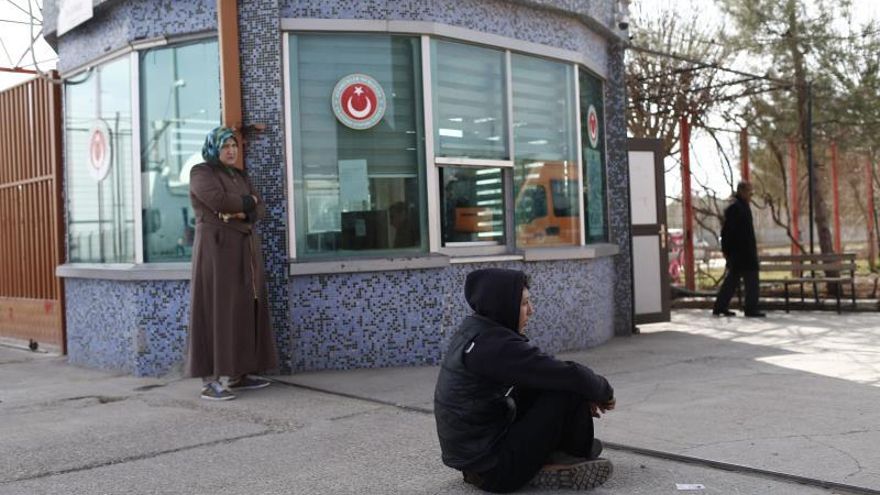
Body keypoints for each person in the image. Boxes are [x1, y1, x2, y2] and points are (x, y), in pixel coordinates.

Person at [434, 268, 616, 492]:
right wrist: (603, 393)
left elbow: (541, 374)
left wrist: (586, 389)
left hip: (476, 460)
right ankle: (565, 456)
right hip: (496, 469)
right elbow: (572, 375)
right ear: (503, 305)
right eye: (523, 304)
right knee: (568, 387)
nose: (531, 311)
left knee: (549, 381)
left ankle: (555, 455)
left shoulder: (475, 331)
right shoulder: (495, 346)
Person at [187, 127, 278, 400]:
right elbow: (218, 200)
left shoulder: (239, 175)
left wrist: (241, 210)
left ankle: (239, 373)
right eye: (225, 145)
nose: (231, 150)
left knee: (241, 308)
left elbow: (259, 209)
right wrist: (247, 203)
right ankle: (210, 380)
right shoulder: (201, 172)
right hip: (215, 251)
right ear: (214, 148)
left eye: (234, 146)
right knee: (216, 309)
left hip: (243, 249)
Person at [713, 181, 766, 317]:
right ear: (742, 191)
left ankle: (720, 306)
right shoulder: (737, 208)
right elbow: (728, 232)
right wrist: (728, 251)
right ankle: (750, 308)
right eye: (749, 192)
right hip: (743, 253)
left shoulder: (739, 206)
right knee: (751, 281)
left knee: (732, 281)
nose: (751, 195)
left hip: (739, 253)